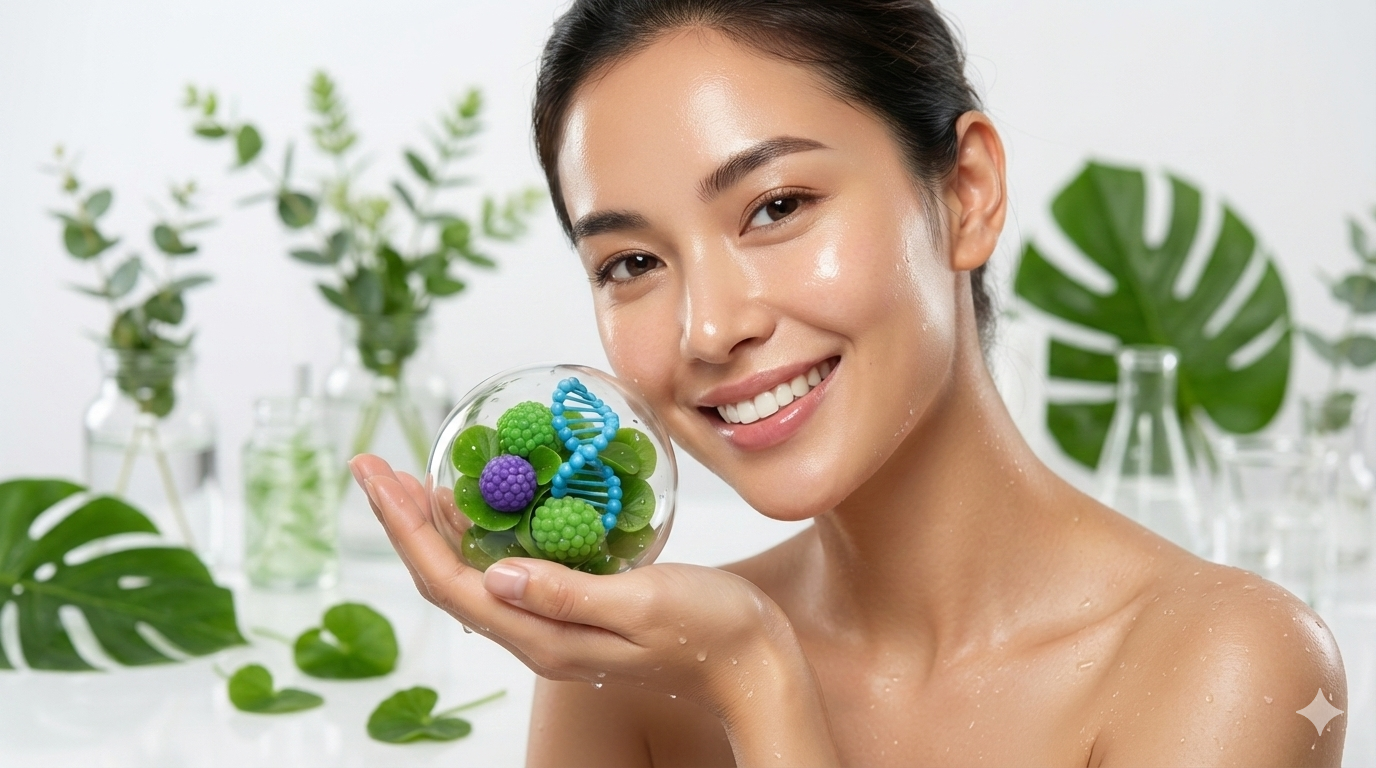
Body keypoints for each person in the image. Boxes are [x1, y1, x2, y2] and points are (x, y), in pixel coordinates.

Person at [348, 0, 1347, 764]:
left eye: (777, 206)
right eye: (632, 263)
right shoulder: (625, 665)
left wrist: (756, 681)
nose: (710, 328)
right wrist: (731, 656)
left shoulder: (1226, 666)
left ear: (966, 194)